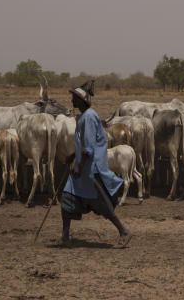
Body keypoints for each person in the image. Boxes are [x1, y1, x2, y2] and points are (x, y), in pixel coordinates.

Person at [59, 80, 131, 248]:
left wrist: (78, 165)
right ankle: (65, 236)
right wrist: (72, 156)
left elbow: (89, 148)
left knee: (101, 204)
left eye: (74, 98)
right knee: (67, 198)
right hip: (83, 166)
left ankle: (123, 231)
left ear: (82, 101)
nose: (72, 101)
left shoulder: (89, 117)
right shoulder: (83, 117)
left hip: (90, 169)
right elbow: (83, 145)